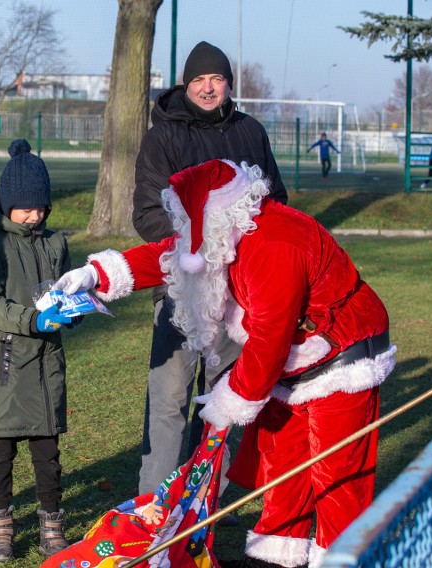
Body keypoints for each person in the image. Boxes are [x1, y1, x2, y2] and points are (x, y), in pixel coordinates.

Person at [55, 159, 396, 568]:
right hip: (294, 366)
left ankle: (343, 558)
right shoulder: (224, 235)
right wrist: (95, 274)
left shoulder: (275, 243)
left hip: (341, 358)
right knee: (283, 467)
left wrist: (231, 399)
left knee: (335, 475)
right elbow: (169, 256)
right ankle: (276, 558)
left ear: (213, 215)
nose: (184, 231)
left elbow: (270, 339)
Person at [132, 40, 288, 497]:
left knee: (223, 406)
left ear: (228, 84)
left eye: (216, 79)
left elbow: (275, 204)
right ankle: (153, 514)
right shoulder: (163, 137)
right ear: (186, 84)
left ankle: (203, 519)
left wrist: (250, 245)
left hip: (239, 296)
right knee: (169, 403)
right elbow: (147, 213)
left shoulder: (250, 131)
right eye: (199, 79)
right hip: (182, 292)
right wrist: (203, 232)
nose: (208, 87)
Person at [0, 138, 78, 562]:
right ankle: (1, 527)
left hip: (46, 367)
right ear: (8, 204)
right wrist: (32, 321)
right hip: (5, 366)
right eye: (27, 208)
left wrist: (75, 308)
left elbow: (65, 288)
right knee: (0, 453)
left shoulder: (54, 243)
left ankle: (51, 522)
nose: (36, 215)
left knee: (48, 455)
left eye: (42, 207)